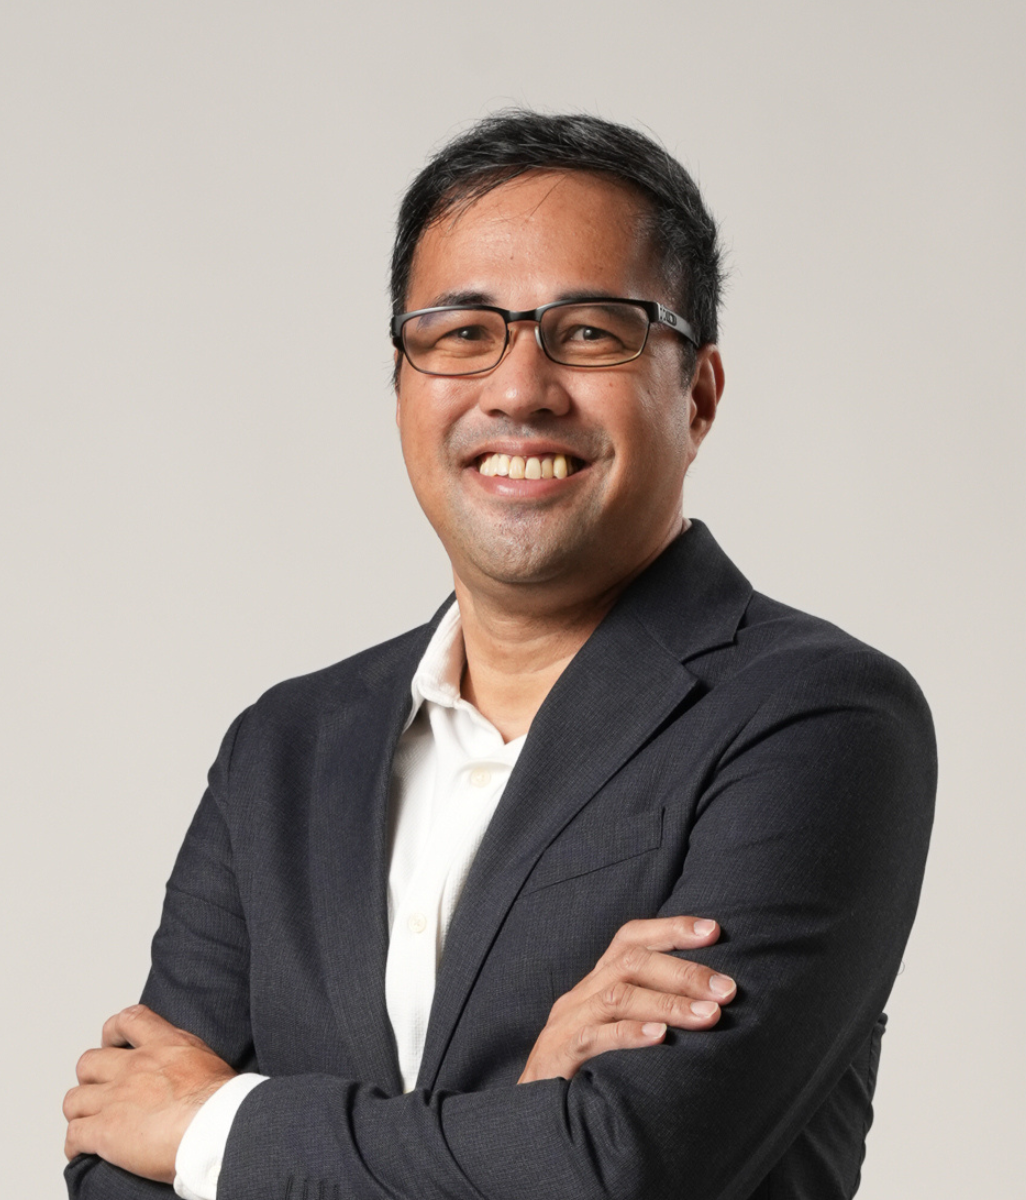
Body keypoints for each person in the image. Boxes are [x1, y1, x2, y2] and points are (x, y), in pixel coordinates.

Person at [63, 111, 936, 1200]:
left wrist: (215, 1128)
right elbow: (116, 1164)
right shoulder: (285, 748)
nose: (519, 390)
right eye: (463, 332)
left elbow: (624, 1167)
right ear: (401, 382)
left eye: (592, 331)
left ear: (699, 395)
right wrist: (520, 1119)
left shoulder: (816, 717)